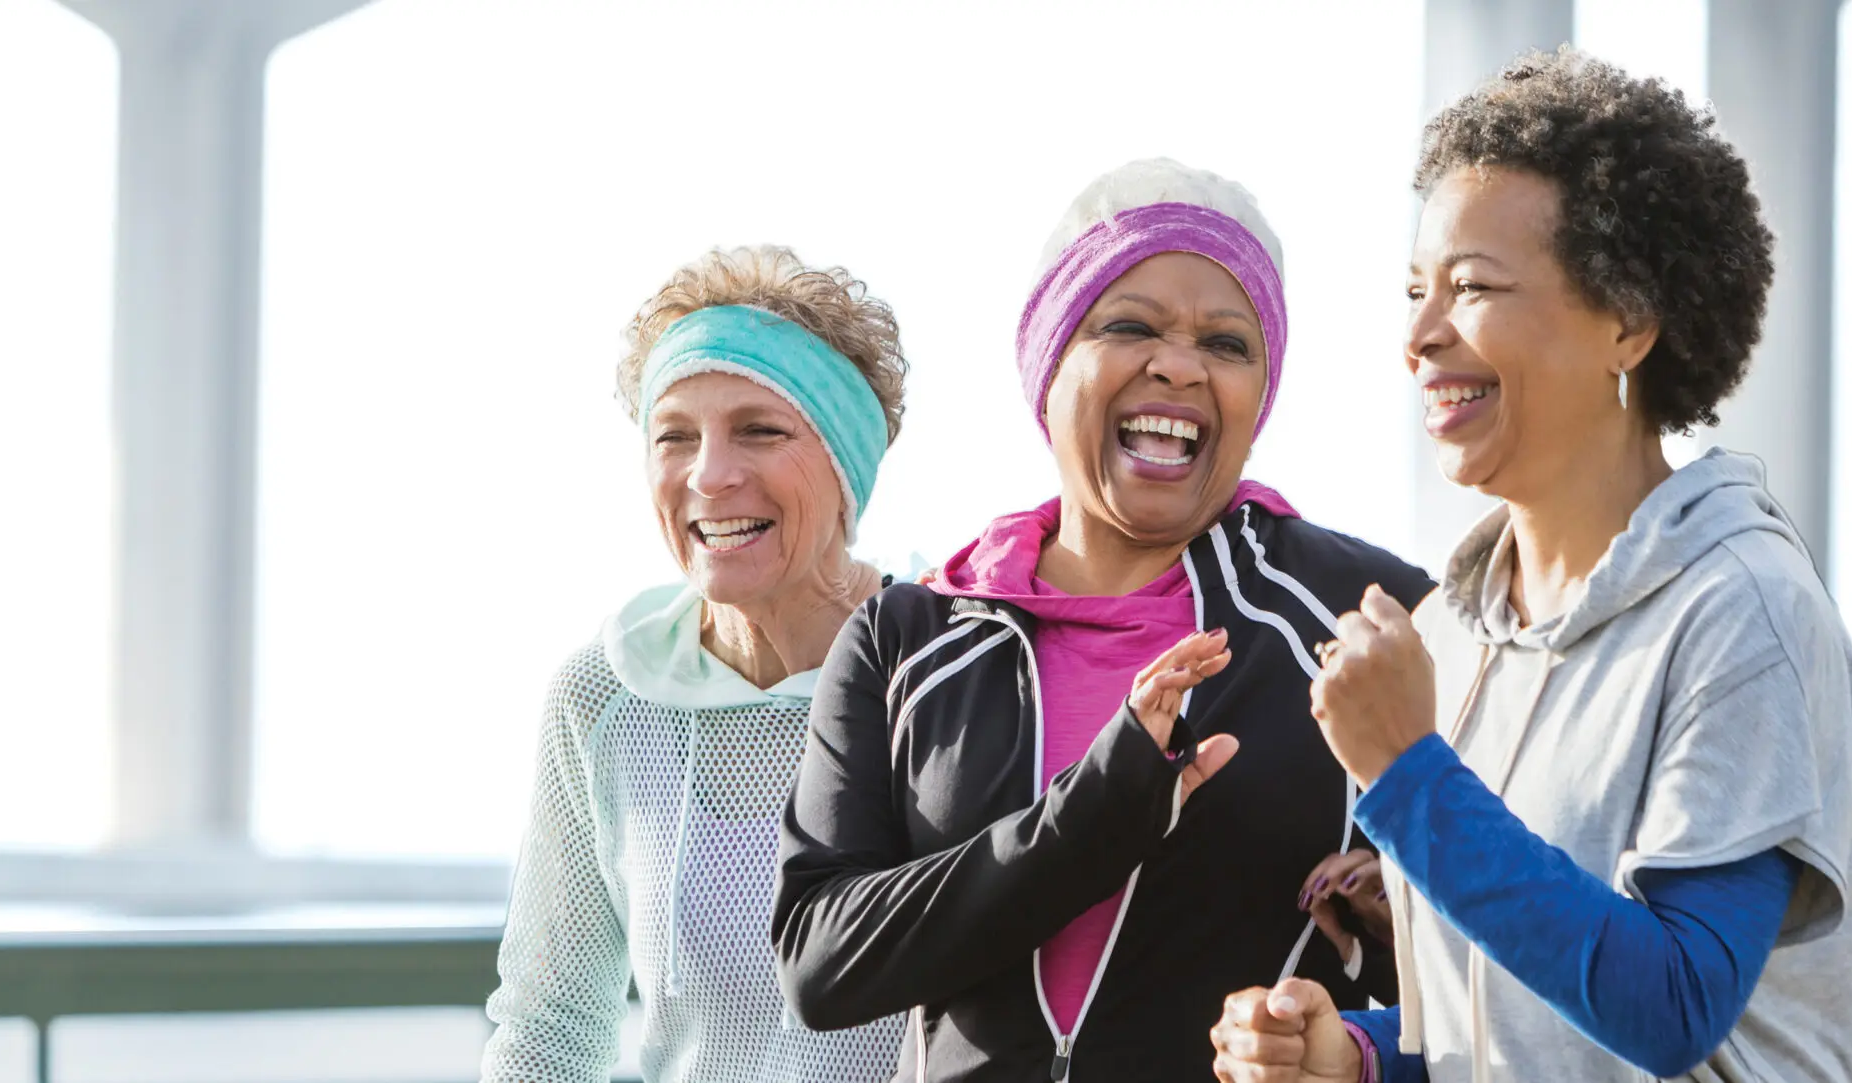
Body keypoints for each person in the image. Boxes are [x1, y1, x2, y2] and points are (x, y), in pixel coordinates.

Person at [1212, 50, 1852, 1083]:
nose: (1420, 335)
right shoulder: (1447, 633)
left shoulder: (1744, 614)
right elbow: (1521, 1031)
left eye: (1472, 287)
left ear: (1628, 322)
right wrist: (1356, 1055)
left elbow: (1671, 1005)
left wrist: (1405, 773)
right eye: (1414, 290)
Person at [774, 159, 1435, 1081]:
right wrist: (1101, 810)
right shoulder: (907, 636)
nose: (1178, 363)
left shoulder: (1371, 614)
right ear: (1049, 362)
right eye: (1128, 325)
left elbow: (1507, 982)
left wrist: (1398, 926)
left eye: (1229, 343)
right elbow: (822, 962)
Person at [481, 246, 909, 1082]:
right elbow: (548, 1025)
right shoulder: (603, 696)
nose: (710, 475)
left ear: (846, 461)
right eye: (674, 436)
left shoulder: (956, 674)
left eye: (760, 429)